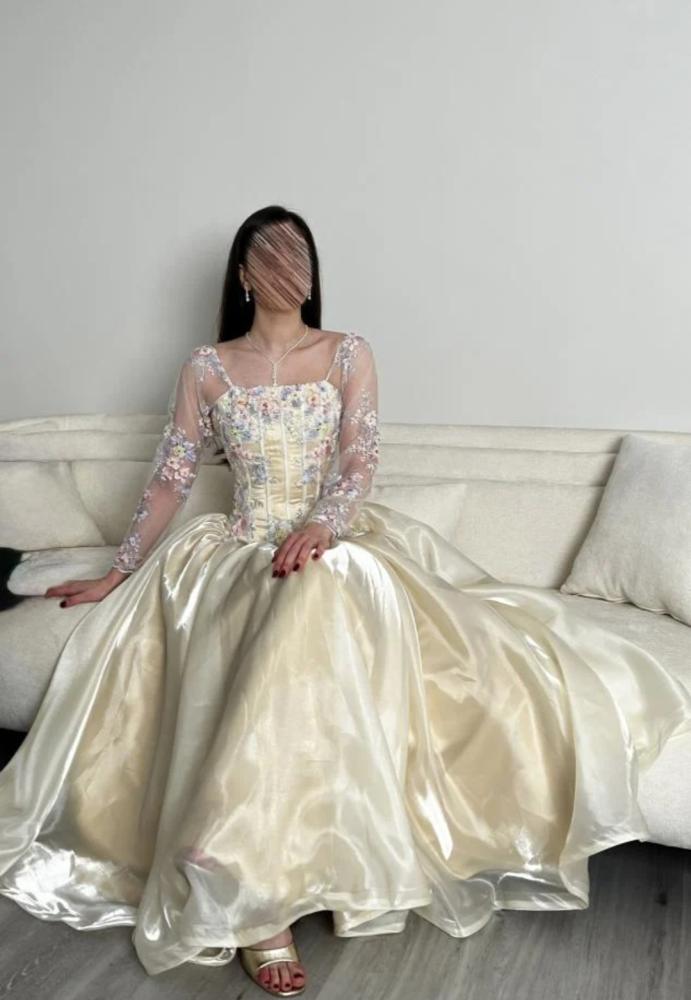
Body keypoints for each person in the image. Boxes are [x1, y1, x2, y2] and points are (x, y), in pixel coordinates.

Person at [1, 205, 690, 998]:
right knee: (285, 603)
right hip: (236, 550)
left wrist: (322, 526)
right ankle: (251, 898)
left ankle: (233, 854)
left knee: (322, 587)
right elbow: (171, 477)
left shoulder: (347, 353)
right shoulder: (206, 366)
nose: (288, 269)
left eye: (300, 255)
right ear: (243, 274)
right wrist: (119, 571)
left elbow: (360, 462)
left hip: (329, 543)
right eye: (271, 256)